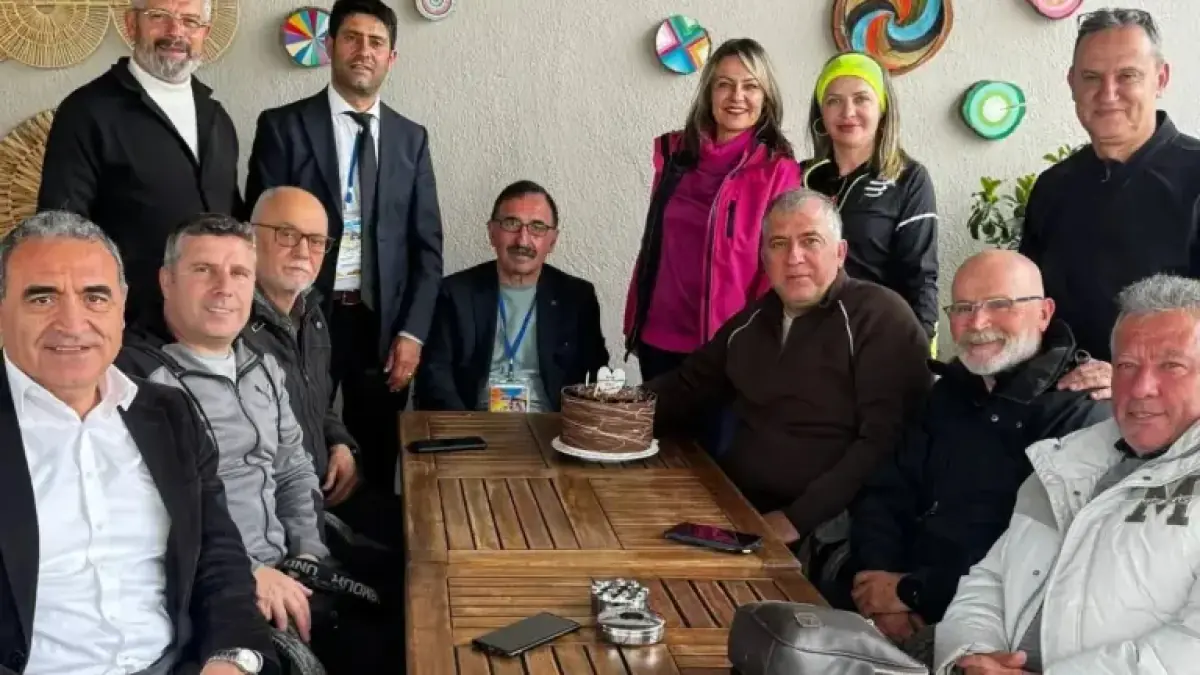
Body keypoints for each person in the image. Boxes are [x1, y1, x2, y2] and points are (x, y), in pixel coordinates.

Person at [118, 215, 395, 675]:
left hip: (290, 565)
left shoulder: (263, 365)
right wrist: (248, 574)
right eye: (204, 270)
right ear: (167, 280)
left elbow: (293, 469)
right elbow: (157, 515)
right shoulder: (139, 382)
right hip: (218, 590)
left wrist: (308, 553)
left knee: (411, 592)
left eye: (239, 273)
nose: (224, 287)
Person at [0, 212, 274, 675]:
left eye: (95, 297)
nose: (73, 322)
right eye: (42, 298)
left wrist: (231, 659)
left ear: (122, 307)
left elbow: (218, 561)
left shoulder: (169, 413)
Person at [833, 250, 1110, 665]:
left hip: (979, 633)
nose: (978, 323)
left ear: (1044, 313)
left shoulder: (1080, 412)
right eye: (963, 308)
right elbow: (887, 492)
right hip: (884, 600)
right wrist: (878, 582)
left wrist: (912, 592)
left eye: (999, 304)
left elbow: (1038, 565)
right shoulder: (949, 391)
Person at [934, 273, 1200, 674]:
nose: (1142, 387)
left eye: (1172, 366)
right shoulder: (1067, 460)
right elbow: (991, 580)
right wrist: (970, 656)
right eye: (1127, 365)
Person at [646, 188, 930, 549]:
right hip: (736, 507)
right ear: (764, 257)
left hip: (828, 528)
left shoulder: (879, 317)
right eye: (778, 244)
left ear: (840, 252)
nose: (794, 257)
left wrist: (797, 519)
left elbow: (885, 441)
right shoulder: (754, 319)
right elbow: (688, 385)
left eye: (810, 241)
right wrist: (606, 414)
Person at [244, 0, 444, 489]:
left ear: (391, 58)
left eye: (376, 43)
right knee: (292, 443)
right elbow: (257, 235)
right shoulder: (282, 127)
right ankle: (306, 533)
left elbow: (427, 247)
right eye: (352, 38)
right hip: (300, 313)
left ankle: (370, 538)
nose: (364, 51)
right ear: (331, 46)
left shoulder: (411, 139)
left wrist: (413, 333)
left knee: (376, 455)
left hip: (381, 324)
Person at [38, 0, 242, 328]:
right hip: (129, 326)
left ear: (205, 33)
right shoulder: (86, 112)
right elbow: (61, 232)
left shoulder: (217, 118)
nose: (175, 32)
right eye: (159, 17)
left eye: (190, 21)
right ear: (132, 24)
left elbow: (232, 218)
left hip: (213, 324)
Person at [1019, 8, 1200, 369]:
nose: (1108, 93)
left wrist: (1124, 375)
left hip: (1167, 394)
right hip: (1058, 391)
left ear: (1161, 79)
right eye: (1091, 77)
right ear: (1071, 83)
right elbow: (1030, 308)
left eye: (1127, 75)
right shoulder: (1053, 186)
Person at [623, 37, 802, 381]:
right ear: (709, 93)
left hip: (728, 347)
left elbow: (776, 269)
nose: (737, 96)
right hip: (657, 336)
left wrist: (757, 342)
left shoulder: (778, 171)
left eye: (750, 86)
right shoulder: (675, 155)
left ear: (765, 97)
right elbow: (655, 245)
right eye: (725, 84)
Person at [241, 186, 404, 552]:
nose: (303, 252)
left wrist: (341, 444)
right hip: (281, 517)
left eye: (316, 241)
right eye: (287, 234)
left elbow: (318, 401)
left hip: (329, 487)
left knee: (430, 528)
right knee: (409, 567)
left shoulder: (311, 313)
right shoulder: (232, 327)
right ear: (250, 237)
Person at [415, 181, 609, 413]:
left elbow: (596, 376)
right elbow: (435, 374)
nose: (523, 240)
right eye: (511, 224)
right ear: (492, 233)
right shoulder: (455, 293)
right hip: (474, 421)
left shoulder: (577, 297)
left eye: (537, 227)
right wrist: (464, 427)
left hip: (552, 424)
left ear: (552, 241)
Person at [800, 51, 939, 346]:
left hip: (877, 340)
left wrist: (920, 347)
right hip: (807, 340)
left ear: (882, 108)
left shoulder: (908, 178)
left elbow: (921, 277)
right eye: (834, 100)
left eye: (861, 99)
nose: (847, 112)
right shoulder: (801, 177)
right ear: (821, 113)